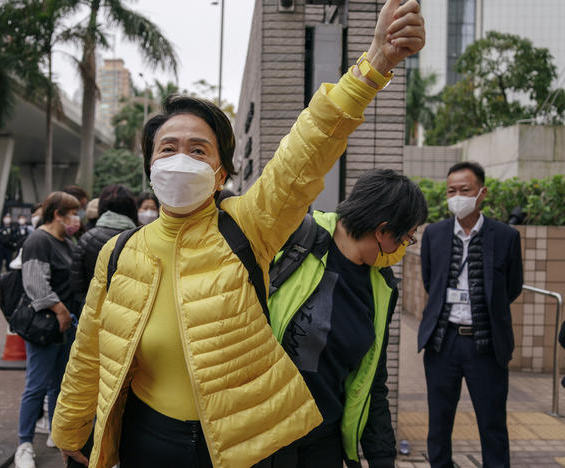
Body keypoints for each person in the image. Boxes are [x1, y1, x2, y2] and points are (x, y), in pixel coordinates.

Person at [51, 2, 425, 467]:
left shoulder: (249, 226)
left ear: (221, 170)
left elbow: (307, 150)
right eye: (168, 148)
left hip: (235, 449)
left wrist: (373, 67)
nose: (180, 158)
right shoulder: (119, 251)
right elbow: (89, 350)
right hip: (146, 441)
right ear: (150, 165)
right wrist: (69, 426)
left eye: (198, 149)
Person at [258, 170, 427, 468]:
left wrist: (382, 457)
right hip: (262, 435)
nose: (404, 247)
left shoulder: (381, 287)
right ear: (383, 231)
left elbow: (373, 381)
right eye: (406, 238)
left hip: (323, 440)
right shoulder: (295, 238)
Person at [418, 161, 523, 468]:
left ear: (482, 193)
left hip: (486, 345)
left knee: (492, 425)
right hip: (443, 342)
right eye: (451, 190)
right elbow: (430, 282)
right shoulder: (434, 235)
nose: (457, 196)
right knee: (438, 424)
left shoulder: (506, 236)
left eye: (465, 190)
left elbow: (512, 287)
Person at [13, 191, 82, 468]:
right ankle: (24, 444)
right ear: (58, 214)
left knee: (59, 383)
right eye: (74, 212)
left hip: (65, 327)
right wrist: (61, 310)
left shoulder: (66, 241)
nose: (77, 218)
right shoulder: (39, 240)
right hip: (46, 326)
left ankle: (56, 431)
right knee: (37, 385)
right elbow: (35, 284)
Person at [70, 185, 138, 298]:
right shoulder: (139, 238)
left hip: (93, 308)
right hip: (129, 310)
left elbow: (77, 282)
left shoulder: (87, 238)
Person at [0, 214, 15, 286]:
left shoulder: (13, 228)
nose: (7, 219)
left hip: (9, 249)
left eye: (8, 218)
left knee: (9, 266)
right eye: (5, 218)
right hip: (0, 249)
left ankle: (9, 282)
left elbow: (14, 238)